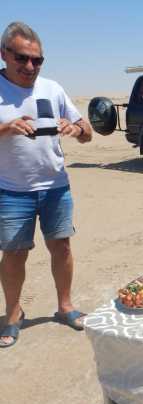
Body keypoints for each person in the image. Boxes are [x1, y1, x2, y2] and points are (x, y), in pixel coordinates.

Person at [0, 22, 92, 348]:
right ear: (4, 54)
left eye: (37, 60)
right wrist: (5, 128)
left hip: (56, 186)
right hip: (11, 190)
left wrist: (76, 128)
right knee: (13, 254)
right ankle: (12, 314)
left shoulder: (52, 88)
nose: (30, 67)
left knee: (62, 246)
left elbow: (88, 130)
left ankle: (65, 306)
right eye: (22, 58)